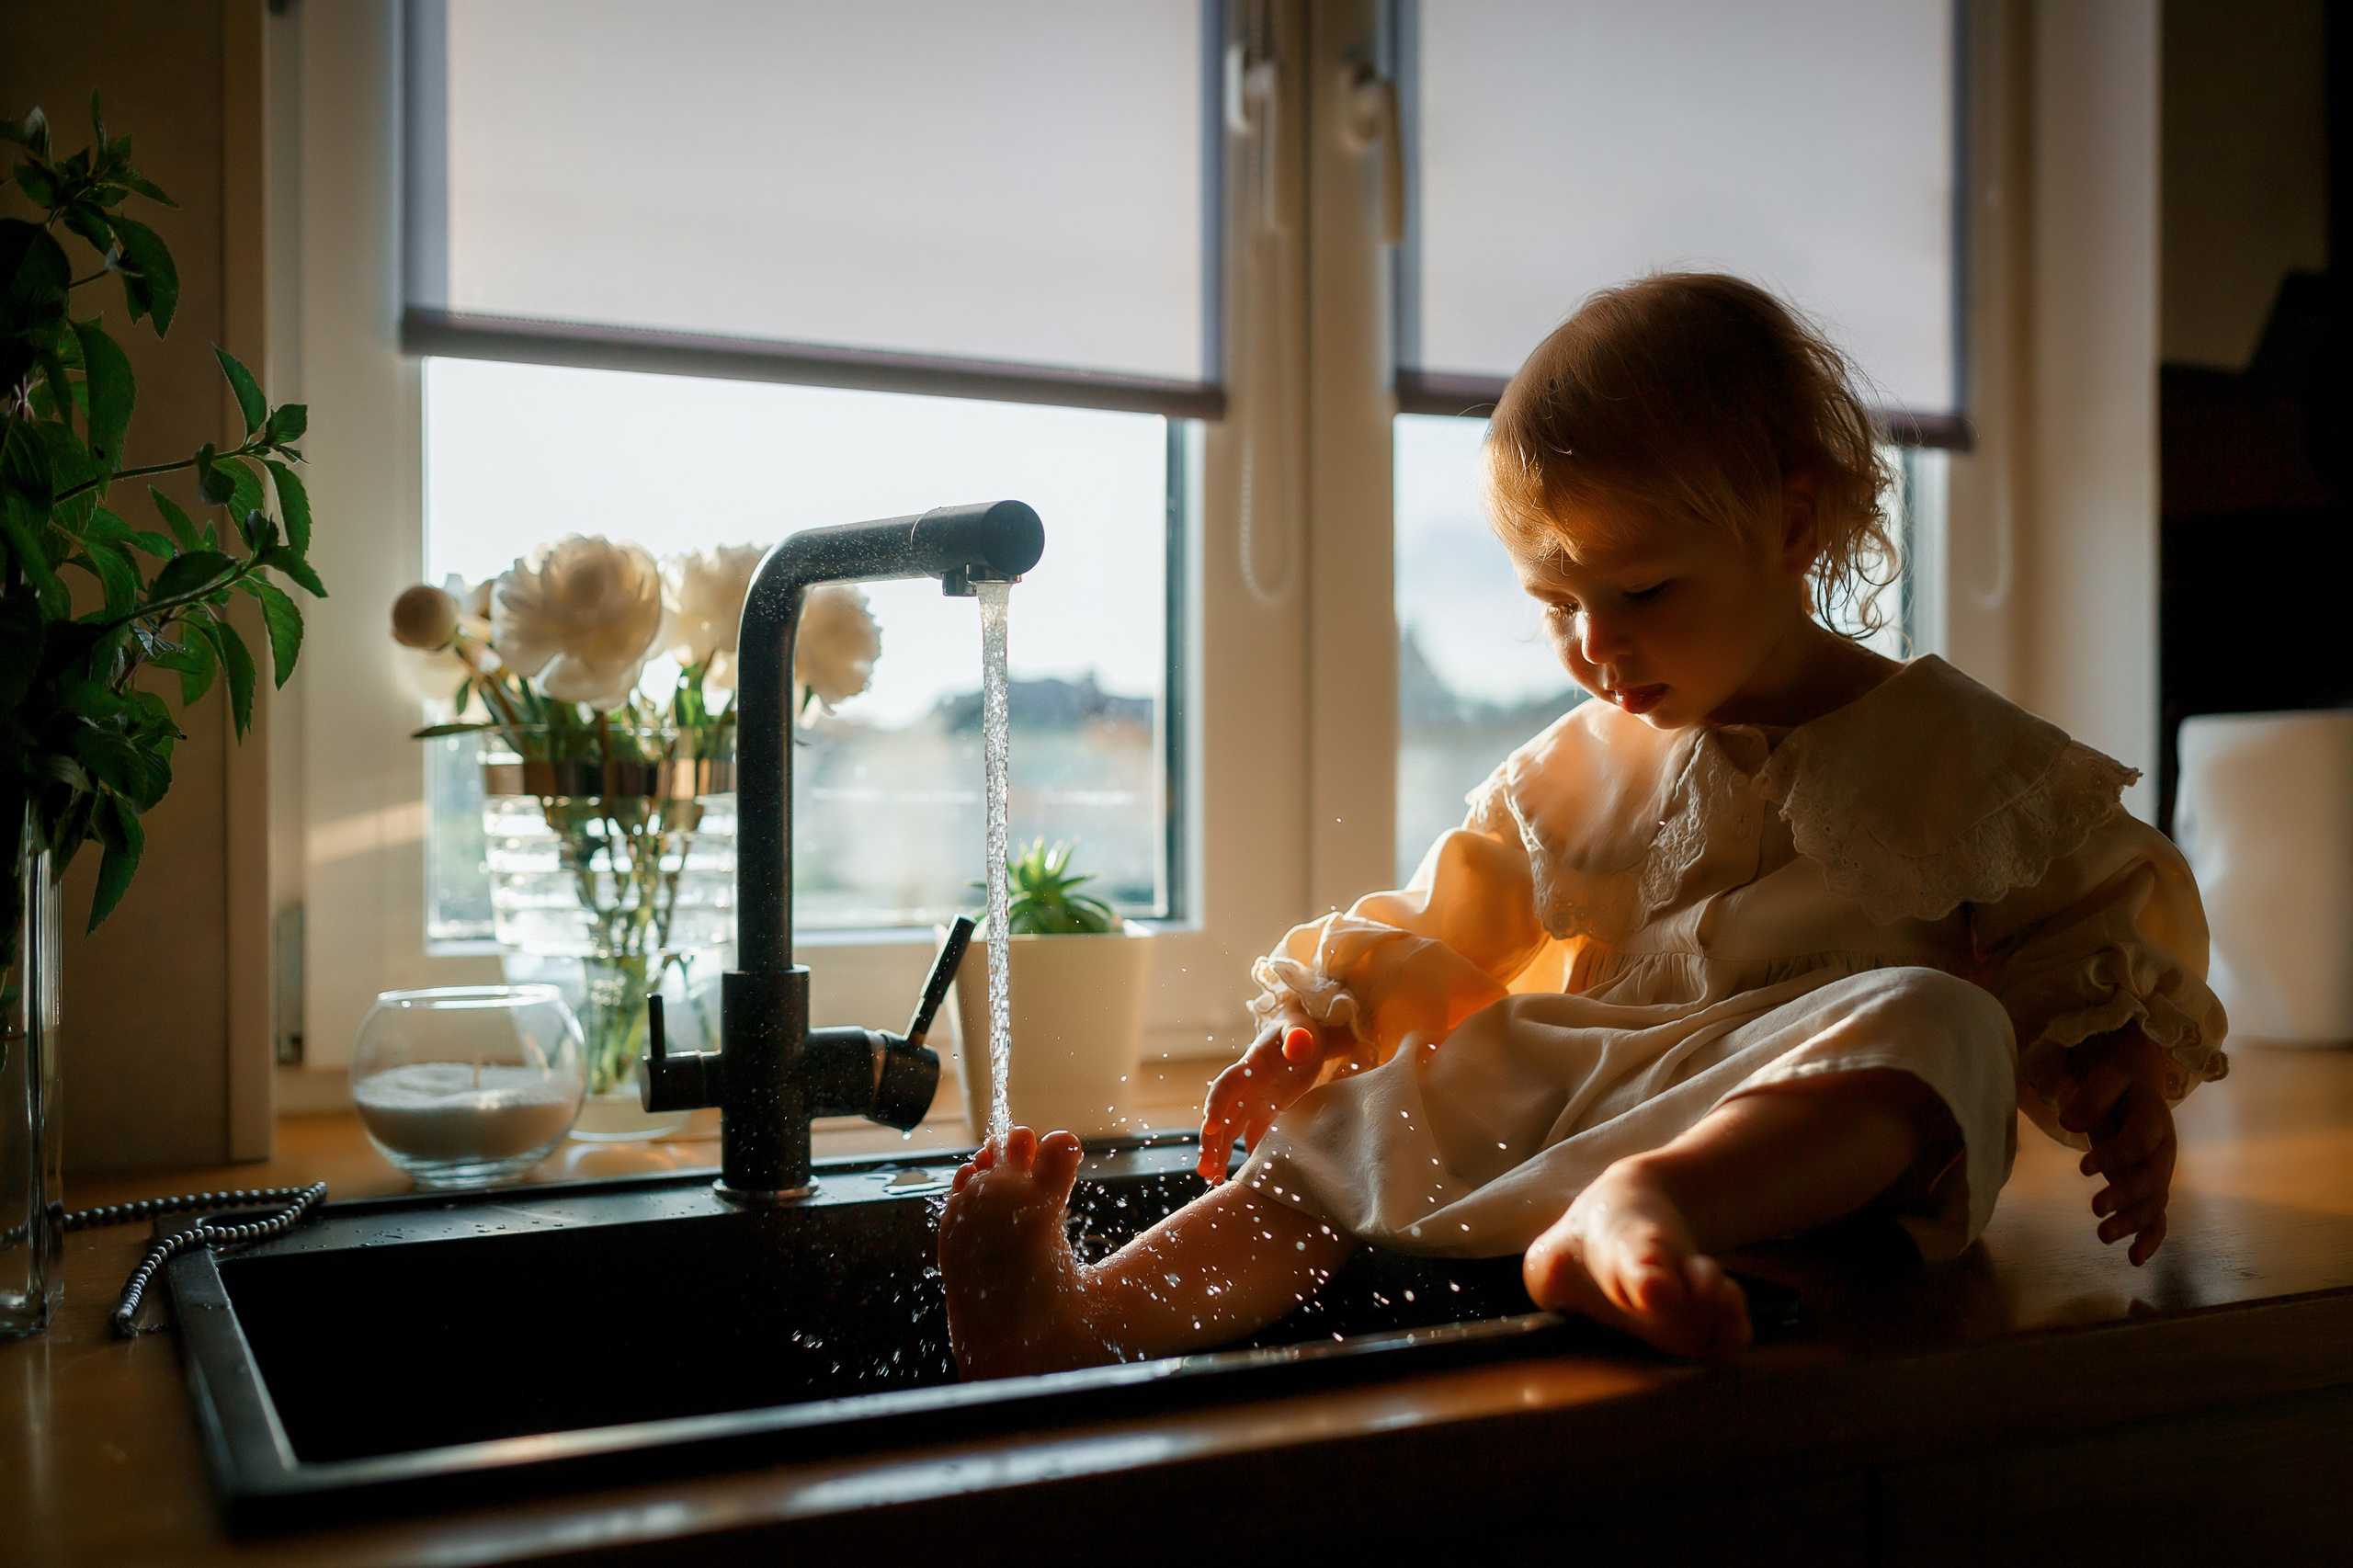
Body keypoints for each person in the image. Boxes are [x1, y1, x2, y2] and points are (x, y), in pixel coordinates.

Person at [938, 273, 2228, 1377]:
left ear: (1792, 524)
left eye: (1643, 590)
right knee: (1365, 1120)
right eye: (1557, 601)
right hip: (1599, 1087)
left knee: (1945, 1022)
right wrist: (1319, 1031)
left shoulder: (1962, 753)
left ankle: (1642, 1206)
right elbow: (1443, 929)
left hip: (1812, 1125)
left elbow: (2091, 931)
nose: (1597, 645)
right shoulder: (1579, 766)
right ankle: (1084, 1318)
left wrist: (2118, 1070)